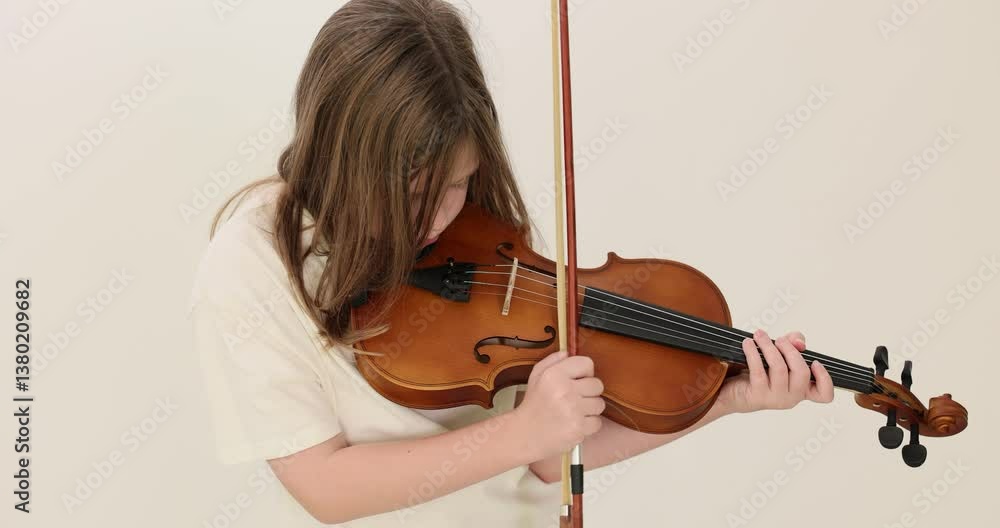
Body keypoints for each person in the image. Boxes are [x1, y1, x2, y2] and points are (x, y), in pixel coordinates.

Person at [188, 0, 835, 526]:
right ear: (346, 161)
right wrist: (523, 433)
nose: (439, 218)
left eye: (458, 182)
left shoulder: (482, 238)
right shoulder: (249, 266)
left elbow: (551, 459)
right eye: (413, 193)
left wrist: (724, 397)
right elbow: (323, 486)